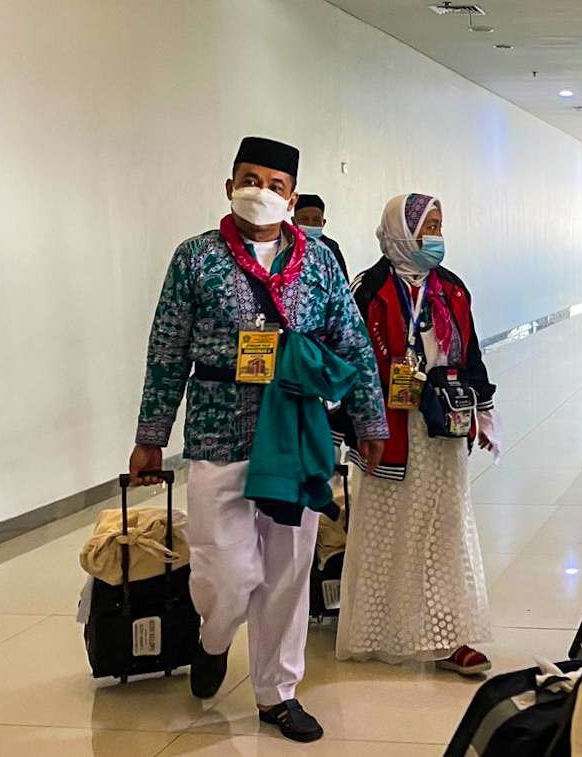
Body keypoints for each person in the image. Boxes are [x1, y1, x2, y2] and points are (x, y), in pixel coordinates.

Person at [128, 136, 388, 743]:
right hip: (220, 432)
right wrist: (149, 435)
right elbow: (166, 351)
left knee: (288, 569)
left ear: (292, 197)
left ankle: (278, 693)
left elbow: (350, 342)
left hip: (295, 432)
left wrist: (370, 419)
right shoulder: (195, 258)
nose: (261, 192)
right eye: (250, 179)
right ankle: (213, 637)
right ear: (228, 186)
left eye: (274, 184)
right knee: (227, 571)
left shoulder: (320, 262)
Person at [335, 193, 500, 676]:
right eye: (427, 226)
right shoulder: (368, 289)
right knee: (387, 528)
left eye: (440, 226)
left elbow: (470, 353)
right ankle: (380, 628)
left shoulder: (450, 287)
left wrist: (484, 411)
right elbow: (351, 360)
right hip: (387, 429)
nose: (436, 237)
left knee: (444, 527)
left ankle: (448, 634)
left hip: (441, 426)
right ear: (401, 230)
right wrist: (352, 425)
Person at [293, 193, 349, 280]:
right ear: (293, 221)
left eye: (316, 220)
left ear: (323, 223)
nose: (310, 224)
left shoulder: (331, 247)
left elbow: (342, 285)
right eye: (304, 219)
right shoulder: (285, 246)